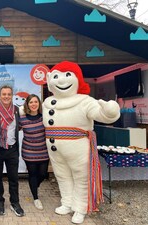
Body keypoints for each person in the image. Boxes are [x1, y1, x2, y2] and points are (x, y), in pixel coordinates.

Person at [43, 61, 120, 224]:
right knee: (62, 176)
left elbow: (102, 115)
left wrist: (109, 110)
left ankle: (80, 208)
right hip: (55, 150)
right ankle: (67, 202)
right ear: (50, 81)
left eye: (67, 76)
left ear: (78, 79)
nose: (61, 81)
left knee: (81, 178)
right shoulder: (47, 103)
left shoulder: (84, 100)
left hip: (77, 146)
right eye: (56, 77)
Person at [0, 85, 25, 217]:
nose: (6, 96)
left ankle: (15, 203)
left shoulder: (16, 110)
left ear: (12, 95)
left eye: (9, 94)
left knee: (14, 178)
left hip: (12, 149)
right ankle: (0, 202)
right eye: (4, 94)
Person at [19, 94, 49, 210]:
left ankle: (34, 186)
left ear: (39, 104)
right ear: (27, 104)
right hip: (29, 152)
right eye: (31, 102)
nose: (33, 104)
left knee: (42, 174)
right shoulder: (22, 119)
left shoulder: (44, 117)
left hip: (43, 151)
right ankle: (36, 198)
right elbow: (14, 128)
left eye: (36, 102)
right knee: (32, 174)